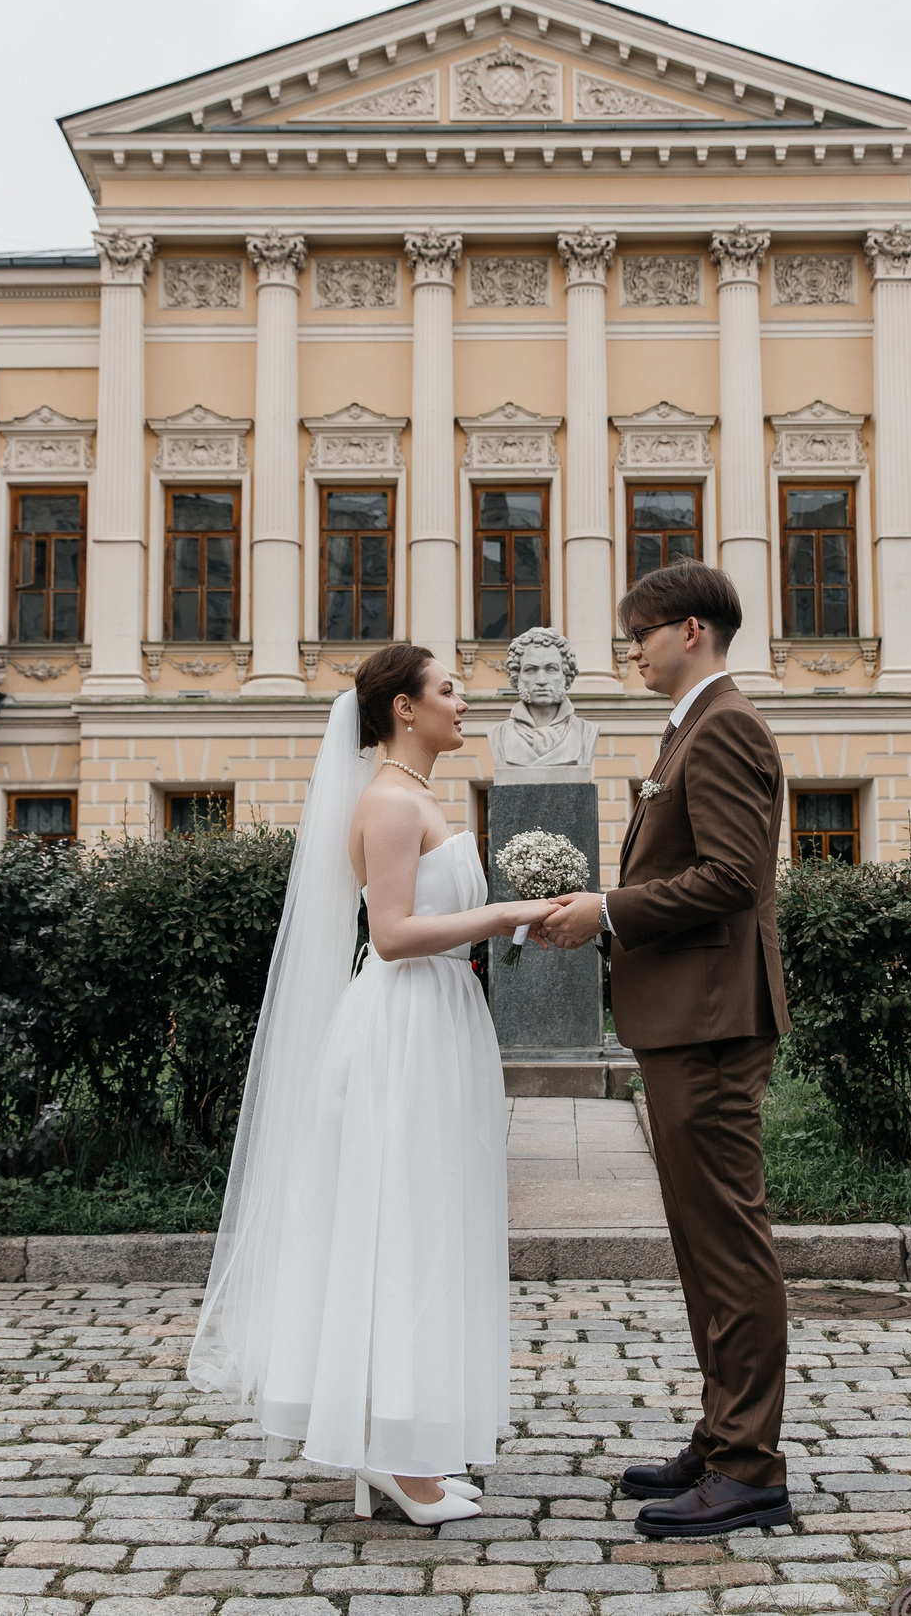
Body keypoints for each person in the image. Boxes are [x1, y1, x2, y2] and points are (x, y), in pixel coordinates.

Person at [189, 642, 557, 1527]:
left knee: (428, 1220)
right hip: (402, 1023)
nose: (464, 702)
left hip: (438, 1019)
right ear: (403, 707)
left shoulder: (420, 796)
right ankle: (393, 1456)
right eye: (448, 689)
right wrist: (508, 912)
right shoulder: (390, 801)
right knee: (398, 1221)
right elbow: (391, 933)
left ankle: (410, 1436)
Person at [534, 561, 794, 1538]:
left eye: (635, 634)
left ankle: (747, 1464)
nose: (627, 651)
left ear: (688, 629)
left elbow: (732, 875)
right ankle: (722, 1433)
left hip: (714, 1021)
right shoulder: (694, 723)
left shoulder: (722, 723)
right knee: (702, 1242)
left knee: (727, 1242)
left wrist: (610, 909)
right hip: (687, 1017)